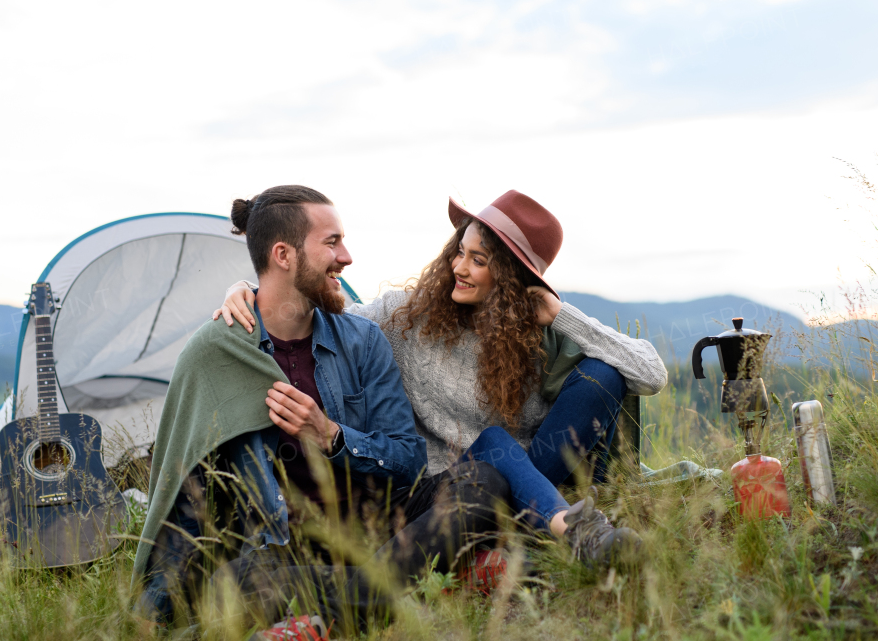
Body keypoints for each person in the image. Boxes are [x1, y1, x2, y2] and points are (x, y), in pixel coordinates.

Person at [134, 185, 512, 641]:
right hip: (285, 552)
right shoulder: (214, 352)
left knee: (484, 482)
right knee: (231, 589)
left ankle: (326, 618)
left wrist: (333, 437)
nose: (346, 257)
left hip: (381, 529)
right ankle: (423, 583)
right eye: (332, 243)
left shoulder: (361, 339)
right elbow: (183, 491)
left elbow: (408, 460)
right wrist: (158, 609)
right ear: (284, 254)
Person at [217, 190, 669, 567]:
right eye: (459, 251)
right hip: (455, 488)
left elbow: (649, 374)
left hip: (534, 475)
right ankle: (572, 531)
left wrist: (561, 315)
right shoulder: (405, 315)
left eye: (479, 260)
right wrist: (252, 291)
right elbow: (319, 310)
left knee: (603, 373)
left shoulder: (542, 331)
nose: (459, 267)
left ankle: (544, 521)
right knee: (493, 443)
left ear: (511, 277)